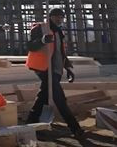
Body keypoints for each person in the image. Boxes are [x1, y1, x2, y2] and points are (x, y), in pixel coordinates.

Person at [25, 8, 85, 139]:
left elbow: (60, 52)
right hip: (43, 68)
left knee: (42, 97)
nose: (59, 19)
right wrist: (42, 40)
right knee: (59, 98)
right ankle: (75, 128)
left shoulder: (58, 32)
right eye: (57, 16)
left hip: (55, 70)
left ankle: (30, 125)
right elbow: (30, 46)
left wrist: (68, 68)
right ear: (50, 17)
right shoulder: (41, 28)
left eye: (61, 17)